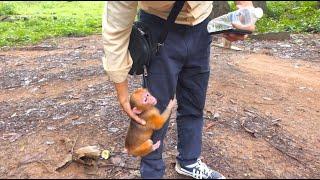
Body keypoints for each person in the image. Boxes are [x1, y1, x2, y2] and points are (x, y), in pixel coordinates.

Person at [102, 1, 255, 179]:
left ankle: (189, 161)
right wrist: (122, 93)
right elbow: (115, 30)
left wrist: (245, 8)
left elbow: (245, 7)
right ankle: (152, 172)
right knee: (154, 109)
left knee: (194, 100)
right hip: (159, 27)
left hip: (201, 25)